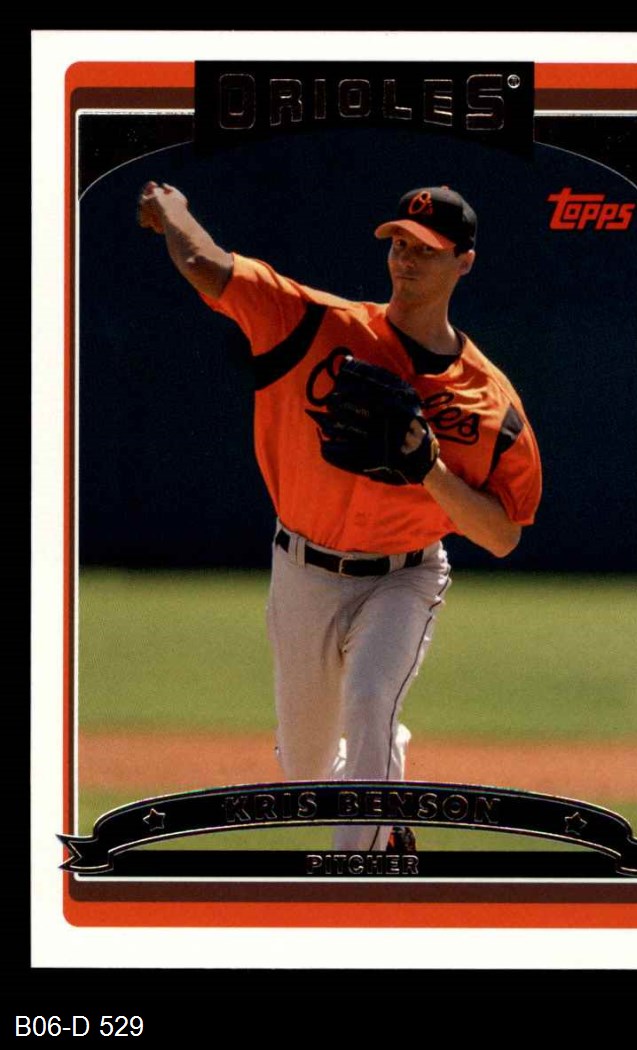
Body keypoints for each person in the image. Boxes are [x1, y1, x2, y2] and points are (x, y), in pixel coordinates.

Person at [137, 181, 542, 852]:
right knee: (304, 767)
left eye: (427, 249)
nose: (406, 258)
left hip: (404, 577)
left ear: (464, 261)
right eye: (399, 243)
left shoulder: (488, 402)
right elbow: (208, 265)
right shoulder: (314, 324)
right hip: (302, 570)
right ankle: (386, 805)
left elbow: (502, 534)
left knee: (371, 699)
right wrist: (175, 211)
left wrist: (430, 470)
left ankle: (359, 875)